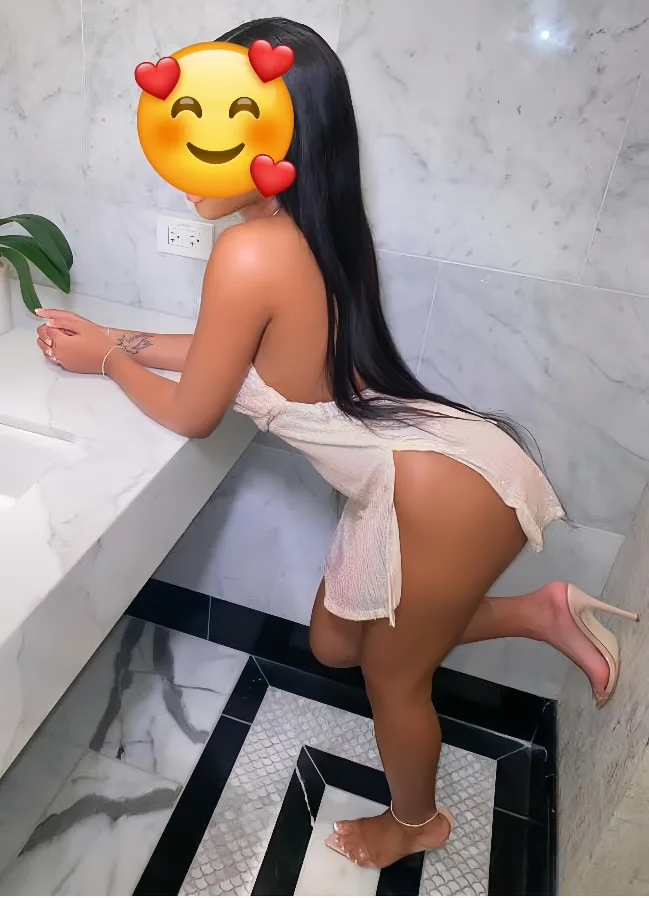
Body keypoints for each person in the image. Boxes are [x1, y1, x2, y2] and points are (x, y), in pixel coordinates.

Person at [36, 17, 639, 870]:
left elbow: (196, 410)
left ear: (280, 139)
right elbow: (227, 353)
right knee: (334, 644)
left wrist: (106, 362)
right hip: (409, 478)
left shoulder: (250, 251)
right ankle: (542, 612)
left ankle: (417, 822)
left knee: (395, 679)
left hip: (437, 497)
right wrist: (116, 337)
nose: (188, 150)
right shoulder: (311, 226)